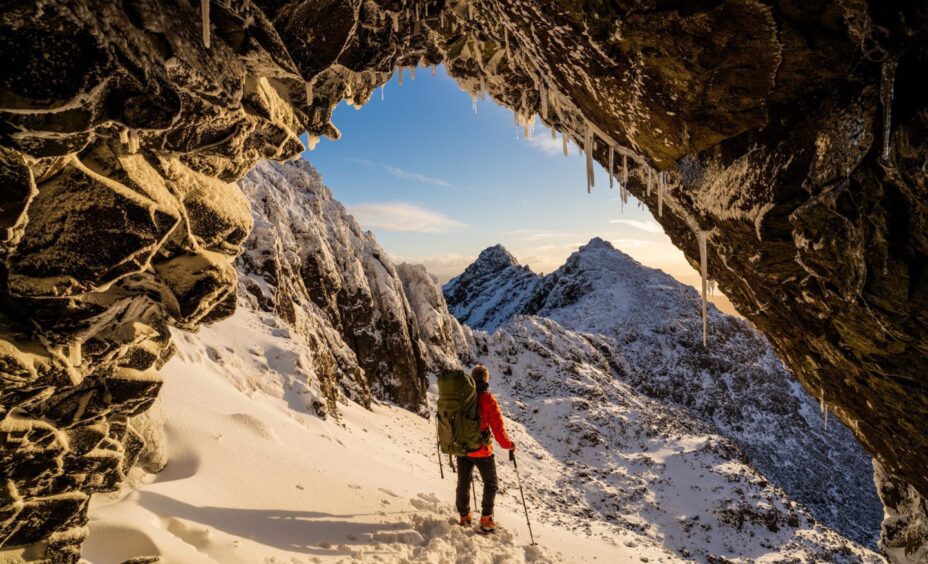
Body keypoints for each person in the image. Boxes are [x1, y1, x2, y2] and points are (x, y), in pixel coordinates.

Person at [456, 364, 515, 533]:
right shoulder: (488, 399)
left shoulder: (462, 397)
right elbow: (498, 429)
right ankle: (486, 519)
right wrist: (509, 445)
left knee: (463, 482)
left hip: (463, 449)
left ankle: (464, 516)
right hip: (482, 451)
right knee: (491, 484)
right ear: (486, 379)